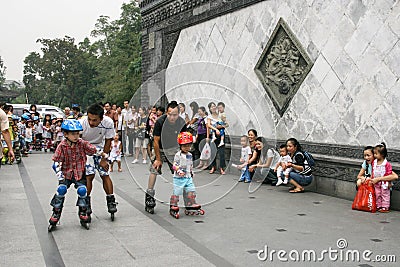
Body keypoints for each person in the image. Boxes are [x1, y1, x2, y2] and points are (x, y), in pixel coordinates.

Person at [48, 119, 102, 230]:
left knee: (83, 190)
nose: (76, 136)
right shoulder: (62, 146)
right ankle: (56, 212)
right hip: (66, 174)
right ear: (65, 134)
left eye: (78, 133)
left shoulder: (81, 143)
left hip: (79, 173)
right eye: (73, 134)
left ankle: (83, 211)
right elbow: (56, 161)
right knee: (61, 189)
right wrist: (59, 175)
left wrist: (101, 153)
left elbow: (92, 149)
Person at [144, 101, 187, 214]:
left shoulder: (181, 122)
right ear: (166, 113)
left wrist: (183, 157)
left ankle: (178, 198)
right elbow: (156, 141)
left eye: (175, 114)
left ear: (178, 114)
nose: (172, 117)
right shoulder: (160, 122)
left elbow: (183, 141)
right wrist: (158, 159)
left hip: (173, 149)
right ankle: (149, 196)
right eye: (170, 114)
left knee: (180, 173)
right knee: (154, 169)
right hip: (160, 147)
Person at [80, 103, 117, 218]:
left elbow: (108, 140)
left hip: (100, 147)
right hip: (85, 148)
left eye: (95, 120)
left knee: (104, 174)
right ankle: (86, 202)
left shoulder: (108, 122)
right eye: (89, 119)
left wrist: (104, 159)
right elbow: (77, 140)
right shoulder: (81, 123)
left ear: (101, 118)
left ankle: (111, 200)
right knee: (89, 176)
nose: (91, 123)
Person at [169, 132, 204, 218]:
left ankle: (190, 203)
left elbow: (190, 164)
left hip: (188, 177)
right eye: (184, 146)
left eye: (188, 145)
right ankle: (173, 205)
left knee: (191, 190)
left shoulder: (190, 155)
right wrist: (178, 170)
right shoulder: (178, 155)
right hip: (179, 178)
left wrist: (191, 172)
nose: (187, 148)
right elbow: (174, 165)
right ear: (180, 146)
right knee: (177, 192)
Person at [372, 143, 393, 212]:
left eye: (376, 154)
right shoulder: (374, 162)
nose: (374, 155)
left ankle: (385, 206)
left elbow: (389, 174)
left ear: (382, 155)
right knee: (377, 193)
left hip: (384, 182)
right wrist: (372, 178)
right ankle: (379, 205)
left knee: (385, 194)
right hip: (376, 181)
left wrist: (389, 182)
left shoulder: (386, 164)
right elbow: (373, 170)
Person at [206, 102, 226, 175]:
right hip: (213, 135)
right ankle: (213, 167)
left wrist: (220, 127)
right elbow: (208, 125)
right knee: (213, 152)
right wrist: (215, 130)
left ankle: (221, 168)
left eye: (214, 106)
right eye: (211, 107)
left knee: (221, 153)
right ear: (210, 109)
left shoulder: (221, 115)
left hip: (221, 135)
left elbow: (225, 124)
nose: (213, 107)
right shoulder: (209, 116)